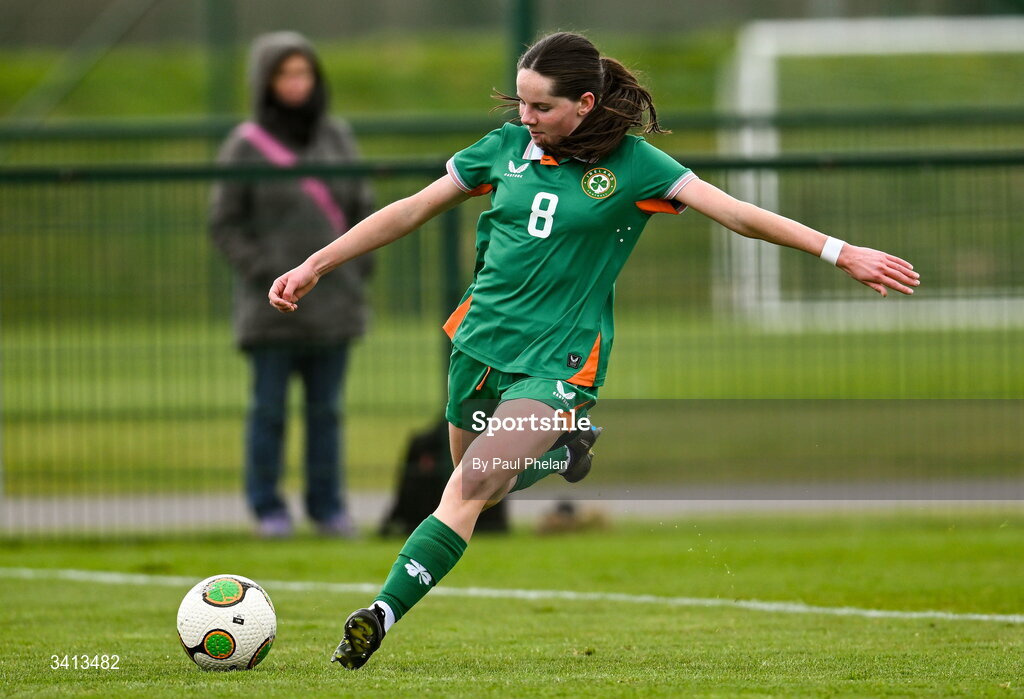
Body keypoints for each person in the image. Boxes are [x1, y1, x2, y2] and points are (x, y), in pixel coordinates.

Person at [268, 32, 919, 666]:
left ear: (584, 103)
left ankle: (378, 615)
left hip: (558, 362)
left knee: (466, 488)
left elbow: (737, 212)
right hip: (481, 345)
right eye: (521, 104)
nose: (527, 118)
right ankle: (561, 455)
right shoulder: (505, 148)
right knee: (478, 487)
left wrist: (839, 251)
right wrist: (315, 265)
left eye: (541, 107)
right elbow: (410, 209)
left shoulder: (636, 165)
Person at [210, 31, 374, 539]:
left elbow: (362, 206)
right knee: (269, 411)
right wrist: (268, 272)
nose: (297, 83)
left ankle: (328, 508)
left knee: (327, 412)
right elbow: (226, 224)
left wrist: (355, 270)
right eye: (285, 73)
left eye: (304, 72)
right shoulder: (244, 145)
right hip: (272, 308)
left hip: (335, 303)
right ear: (265, 81)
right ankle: (268, 509)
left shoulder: (337, 137)